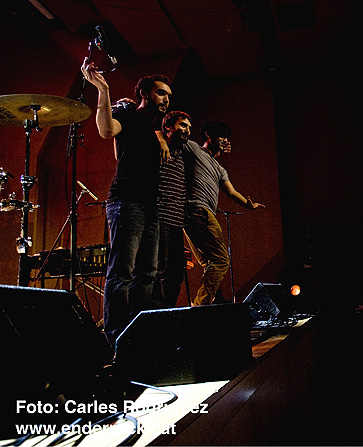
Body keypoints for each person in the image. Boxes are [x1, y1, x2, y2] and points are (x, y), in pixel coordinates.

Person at [81, 58, 171, 345]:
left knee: (148, 274)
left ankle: (138, 334)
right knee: (122, 273)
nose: (166, 99)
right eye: (161, 93)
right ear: (144, 93)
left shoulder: (151, 127)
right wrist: (104, 91)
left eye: (168, 95)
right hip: (126, 202)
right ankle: (116, 338)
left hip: (151, 206)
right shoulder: (128, 113)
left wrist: (161, 136)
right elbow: (107, 130)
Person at [182, 120, 265, 306]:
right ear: (208, 135)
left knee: (210, 262)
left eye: (227, 138)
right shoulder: (194, 149)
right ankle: (200, 306)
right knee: (221, 260)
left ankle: (203, 303)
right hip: (199, 210)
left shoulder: (219, 169)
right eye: (221, 136)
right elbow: (170, 138)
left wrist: (249, 205)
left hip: (192, 216)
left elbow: (231, 192)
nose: (225, 140)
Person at [153, 110, 192, 307]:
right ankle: (156, 314)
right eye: (183, 125)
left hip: (177, 222)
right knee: (159, 269)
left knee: (176, 273)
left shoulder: (181, 152)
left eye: (189, 127)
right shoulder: (157, 146)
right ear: (168, 126)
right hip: (160, 217)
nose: (187, 130)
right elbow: (150, 132)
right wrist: (159, 137)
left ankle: (167, 311)